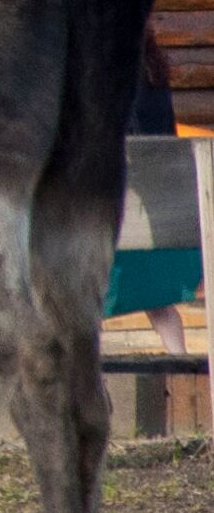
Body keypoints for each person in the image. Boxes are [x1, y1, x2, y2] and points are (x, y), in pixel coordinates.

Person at [107, 33, 199, 354]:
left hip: (131, 207)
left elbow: (126, 141)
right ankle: (181, 360)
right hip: (164, 210)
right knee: (160, 305)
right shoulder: (154, 72)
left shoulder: (118, 76)